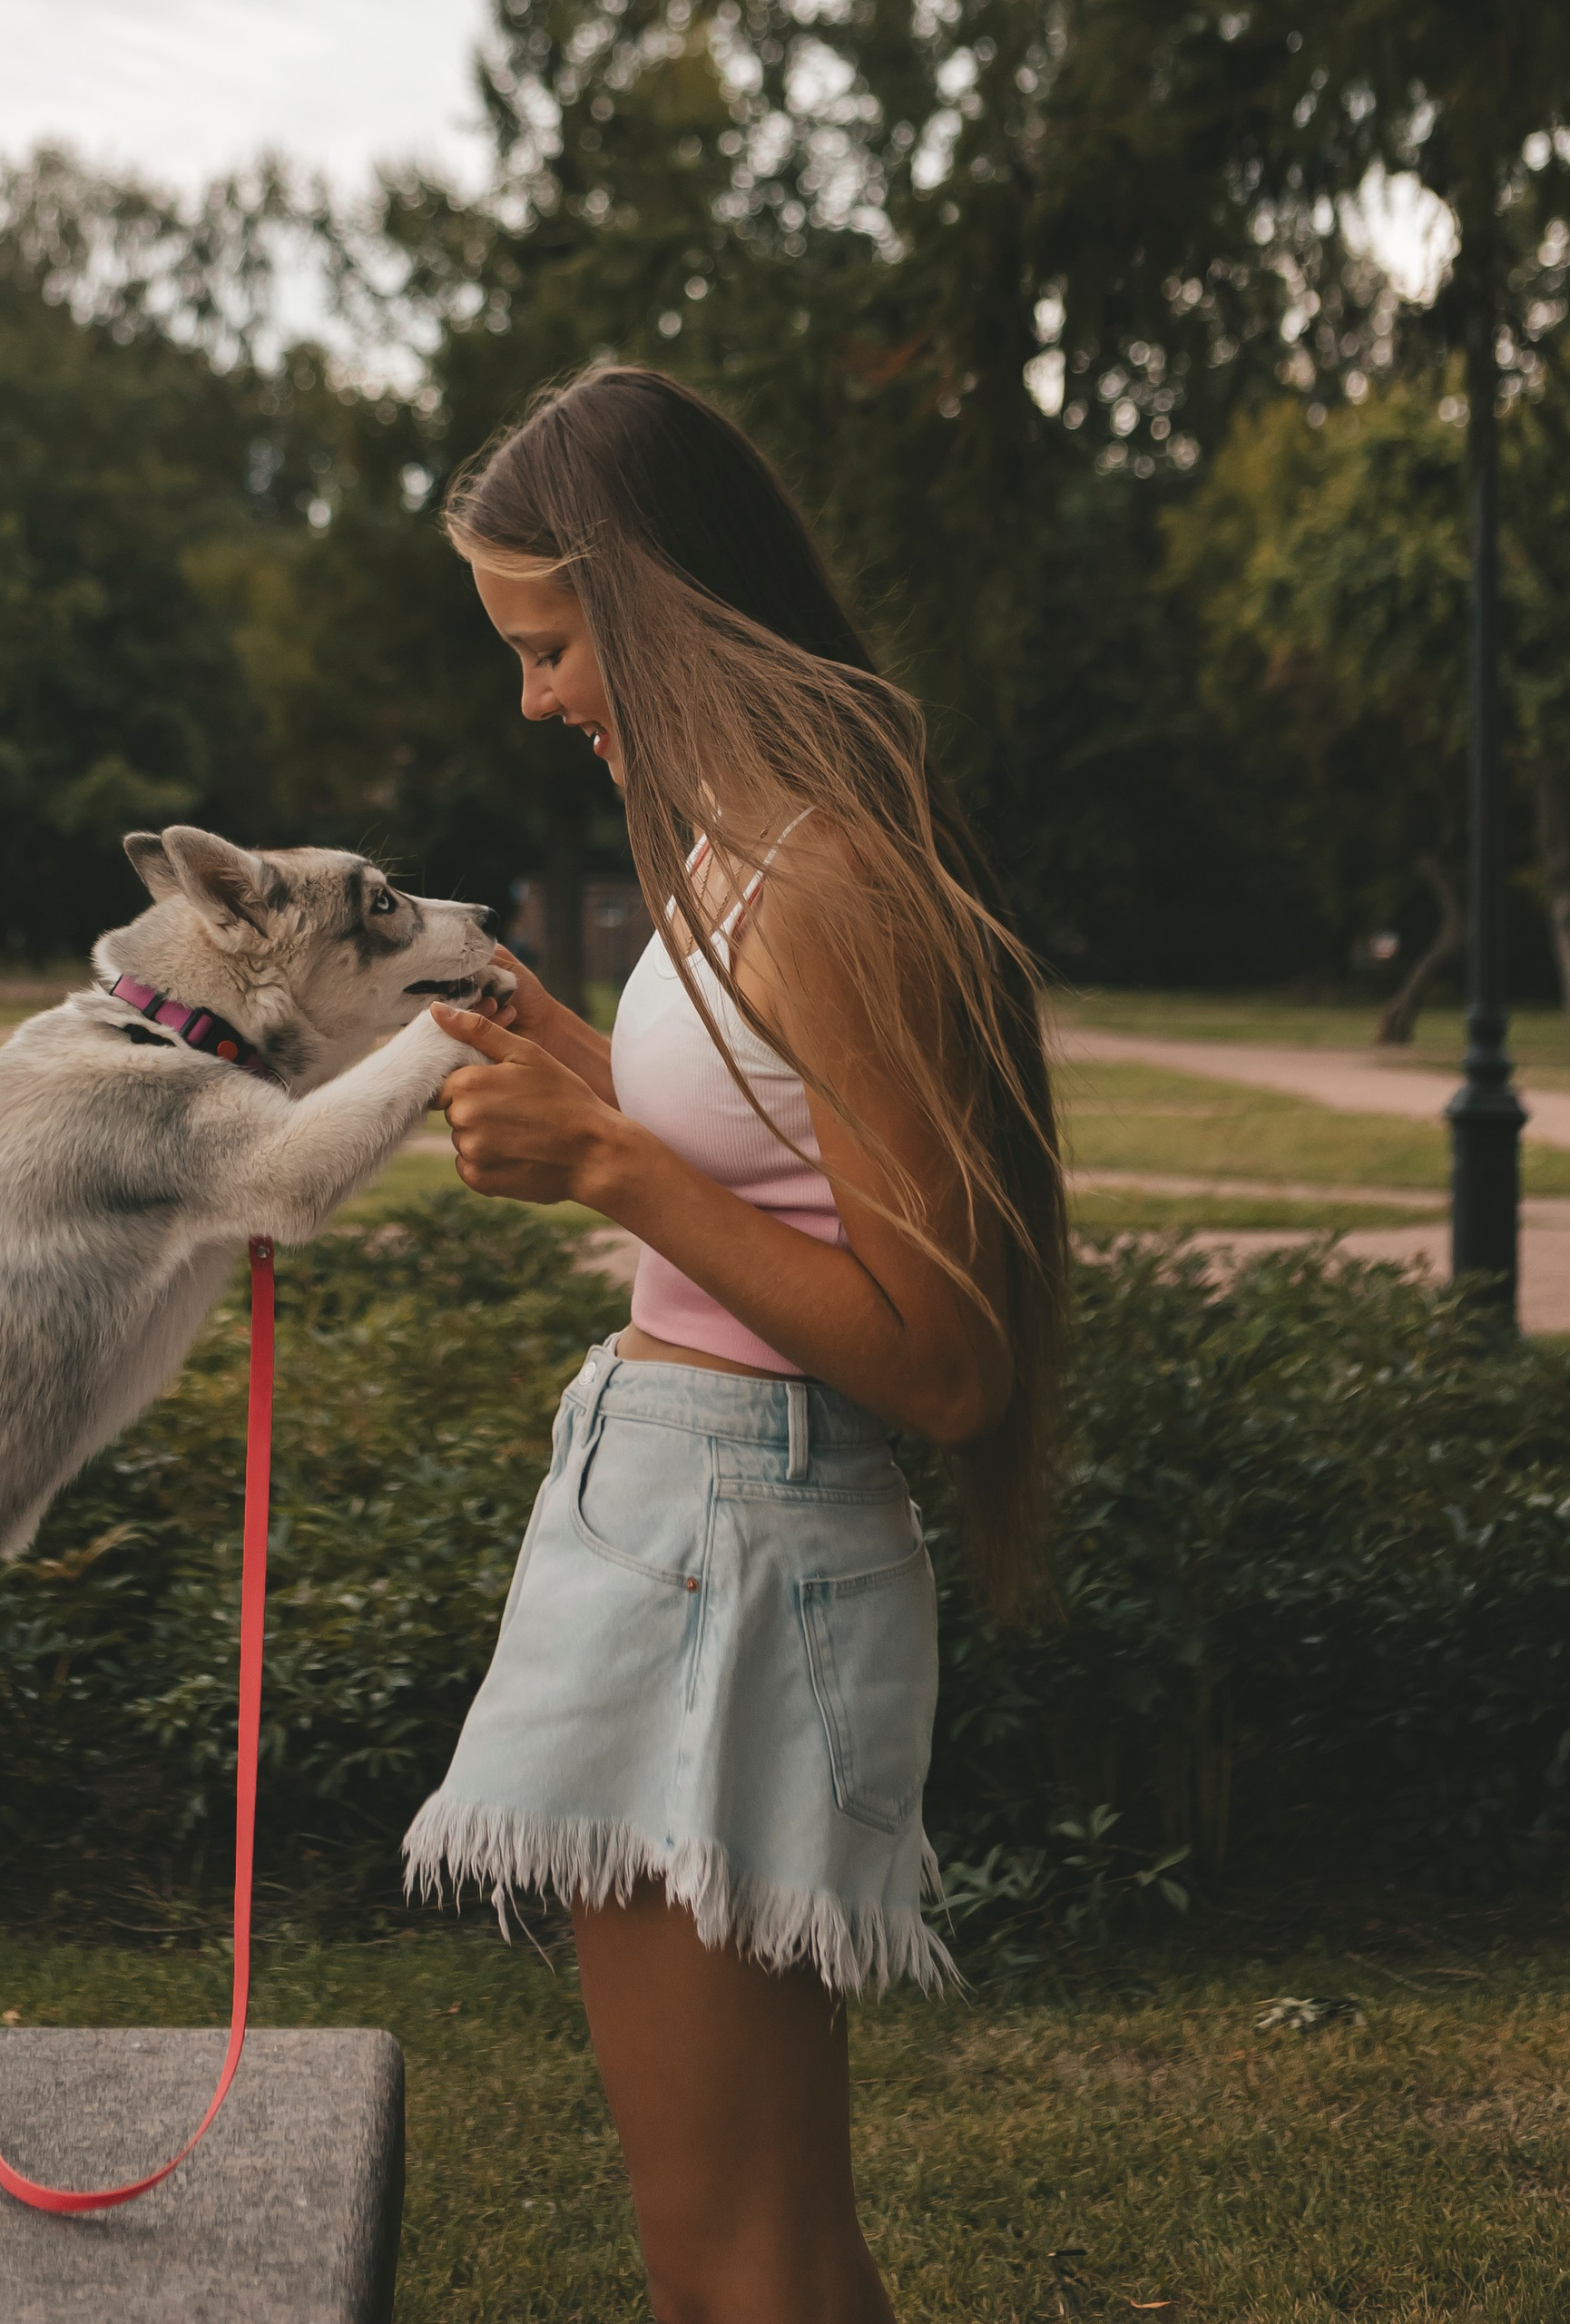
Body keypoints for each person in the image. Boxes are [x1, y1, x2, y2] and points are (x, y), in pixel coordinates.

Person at [406, 366, 1066, 2324]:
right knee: (740, 2246)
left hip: (735, 1552)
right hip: (687, 1526)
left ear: (653, 603)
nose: (535, 699)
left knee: (737, 2253)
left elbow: (943, 1359)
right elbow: (776, 1177)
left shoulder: (829, 882)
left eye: (547, 646)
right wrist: (573, 1062)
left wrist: (605, 1160)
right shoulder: (738, 855)